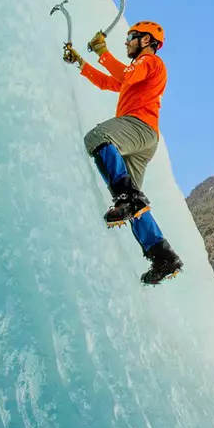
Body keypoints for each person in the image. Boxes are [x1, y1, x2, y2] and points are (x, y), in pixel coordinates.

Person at [64, 19, 183, 285]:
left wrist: (102, 52)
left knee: (97, 137)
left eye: (132, 36)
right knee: (135, 202)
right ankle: (163, 256)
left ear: (147, 41)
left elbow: (126, 75)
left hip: (138, 126)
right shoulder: (137, 72)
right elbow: (110, 83)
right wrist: (81, 63)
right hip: (144, 137)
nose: (127, 41)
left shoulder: (149, 62)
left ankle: (126, 198)